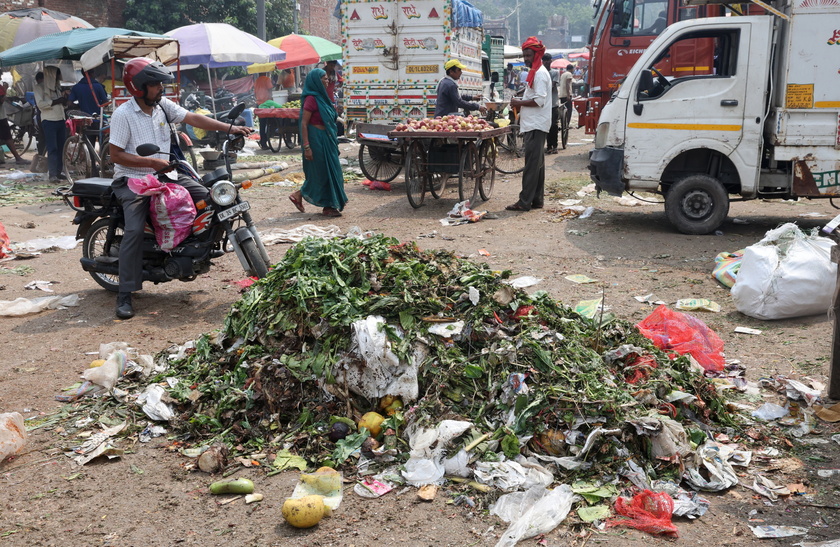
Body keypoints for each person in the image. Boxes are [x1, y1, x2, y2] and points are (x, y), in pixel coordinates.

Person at [109, 58, 252, 320]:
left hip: (167, 175)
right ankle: (125, 293)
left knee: (212, 199)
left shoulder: (162, 106)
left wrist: (230, 128)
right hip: (133, 181)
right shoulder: (123, 115)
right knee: (133, 230)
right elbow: (115, 155)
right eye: (156, 85)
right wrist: (151, 163)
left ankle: (189, 252)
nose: (161, 89)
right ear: (140, 87)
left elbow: (194, 118)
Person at [288, 69, 347, 218]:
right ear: (316, 81)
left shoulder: (324, 98)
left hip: (327, 138)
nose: (327, 81)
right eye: (324, 79)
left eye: (327, 79)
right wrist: (306, 146)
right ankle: (328, 206)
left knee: (333, 171)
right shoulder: (311, 99)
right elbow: (303, 124)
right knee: (322, 172)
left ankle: (298, 194)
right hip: (316, 139)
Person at [506, 37, 552, 212]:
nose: (526, 58)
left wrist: (519, 103)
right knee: (537, 164)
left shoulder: (539, 73)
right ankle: (537, 200)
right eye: (524, 55)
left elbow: (539, 100)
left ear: (536, 54)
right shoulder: (536, 71)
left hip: (536, 124)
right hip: (535, 123)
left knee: (531, 165)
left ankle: (524, 201)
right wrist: (520, 100)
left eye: (528, 55)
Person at [34, 68, 68, 182]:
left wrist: (64, 100)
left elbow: (62, 106)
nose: (58, 79)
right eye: (57, 76)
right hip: (49, 120)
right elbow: (41, 105)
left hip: (60, 119)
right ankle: (52, 174)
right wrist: (57, 101)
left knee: (61, 147)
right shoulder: (39, 88)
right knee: (52, 148)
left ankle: (58, 172)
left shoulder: (57, 87)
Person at [0, 82, 29, 166]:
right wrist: (5, 90)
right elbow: (1, 100)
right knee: (8, 138)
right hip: (1, 117)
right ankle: (18, 158)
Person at [543, 53, 560, 155]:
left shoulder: (555, 72)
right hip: (544, 104)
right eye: (544, 61)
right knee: (547, 126)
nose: (546, 63)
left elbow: (553, 86)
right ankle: (549, 146)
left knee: (553, 126)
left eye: (548, 61)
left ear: (550, 61)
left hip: (553, 103)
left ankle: (554, 146)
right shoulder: (541, 72)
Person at [559, 64, 574, 129]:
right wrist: (568, 94)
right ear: (571, 69)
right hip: (566, 95)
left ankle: (564, 124)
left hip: (562, 95)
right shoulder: (569, 74)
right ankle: (567, 124)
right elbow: (568, 84)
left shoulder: (563, 74)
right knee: (569, 110)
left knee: (563, 111)